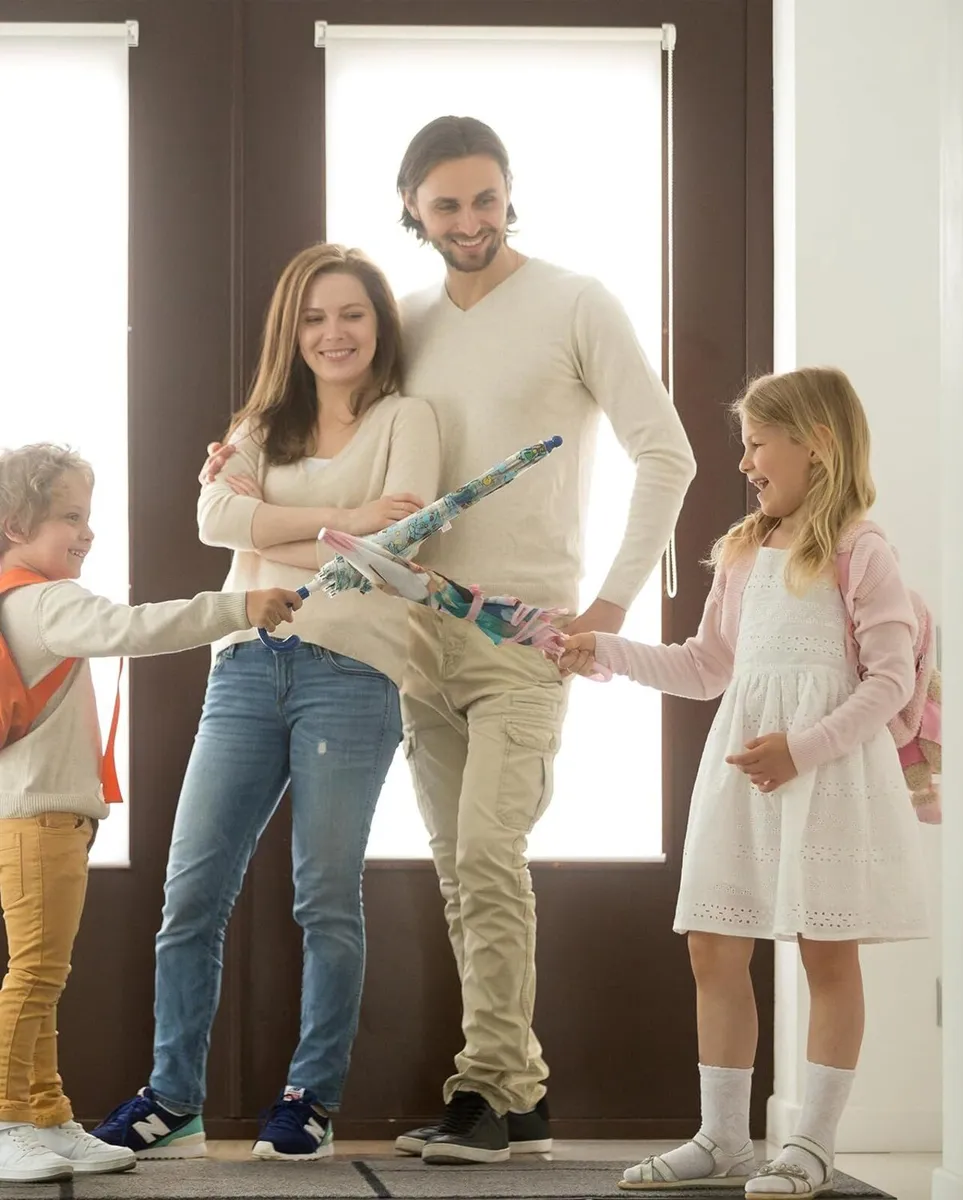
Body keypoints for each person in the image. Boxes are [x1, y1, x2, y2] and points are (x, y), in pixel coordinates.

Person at [200, 114, 696, 1164]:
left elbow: (668, 454)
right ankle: (509, 1097)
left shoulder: (577, 302)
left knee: (486, 850)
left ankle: (499, 1085)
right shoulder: (407, 320)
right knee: (459, 866)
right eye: (445, 205)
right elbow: (330, 412)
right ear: (413, 212)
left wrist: (608, 608)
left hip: (525, 632)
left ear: (511, 195)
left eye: (484, 198)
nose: (469, 221)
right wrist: (238, 455)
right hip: (414, 634)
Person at [92, 243, 440, 1162]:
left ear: (378, 325)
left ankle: (309, 1099)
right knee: (191, 893)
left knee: (326, 897)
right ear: (292, 331)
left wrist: (301, 535)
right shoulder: (257, 423)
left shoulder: (410, 418)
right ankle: (173, 1099)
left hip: (352, 676)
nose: (334, 333)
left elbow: (397, 562)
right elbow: (212, 521)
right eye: (315, 318)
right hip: (246, 664)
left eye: (352, 315)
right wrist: (347, 527)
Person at [560, 367, 928, 1195]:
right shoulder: (741, 548)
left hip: (824, 775)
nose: (746, 462)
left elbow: (892, 679)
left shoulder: (861, 550)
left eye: (757, 443)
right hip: (745, 777)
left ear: (818, 445)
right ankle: (724, 1138)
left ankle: (812, 1145)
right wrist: (605, 651)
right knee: (713, 945)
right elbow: (705, 668)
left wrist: (803, 747)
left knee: (827, 954)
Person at [0, 443, 301, 1183]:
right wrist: (240, 607)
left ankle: (46, 1114)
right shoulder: (40, 599)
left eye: (88, 516)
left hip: (46, 814)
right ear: (15, 523)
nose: (87, 532)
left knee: (43, 972)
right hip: (40, 816)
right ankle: (8, 1117)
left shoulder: (22, 598)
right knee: (36, 973)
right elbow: (135, 627)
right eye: (70, 516)